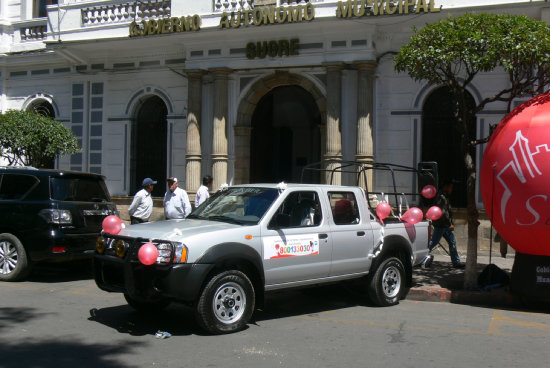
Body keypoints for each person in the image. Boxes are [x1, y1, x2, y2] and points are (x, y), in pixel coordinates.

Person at [429, 180, 464, 268]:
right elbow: (443, 213)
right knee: (433, 242)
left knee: (452, 242)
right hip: (441, 225)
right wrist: (449, 224)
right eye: (450, 187)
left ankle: (456, 262)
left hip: (444, 225)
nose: (451, 189)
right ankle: (421, 256)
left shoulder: (444, 196)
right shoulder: (441, 197)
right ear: (445, 187)